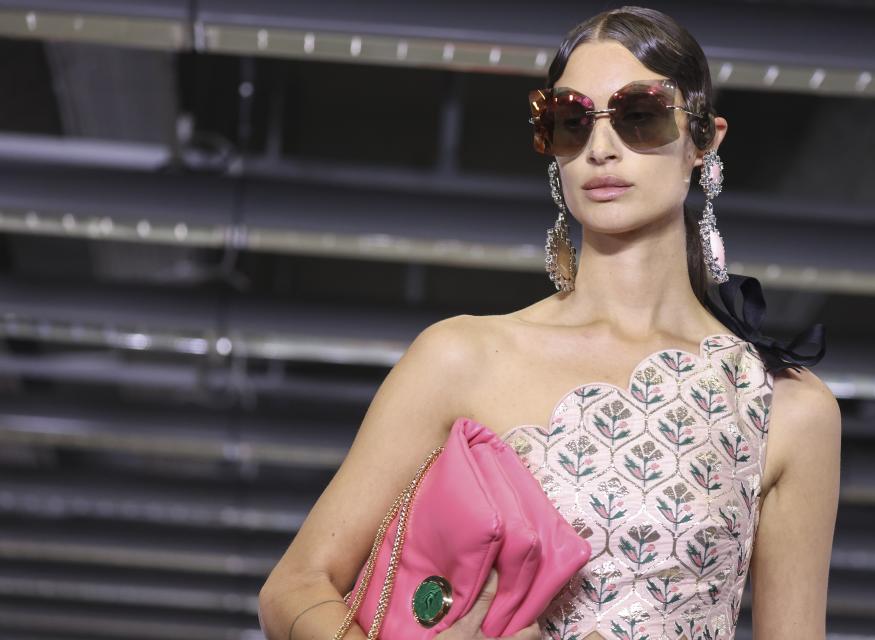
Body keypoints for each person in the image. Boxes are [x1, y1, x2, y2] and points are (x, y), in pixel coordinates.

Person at [257, 6, 841, 640]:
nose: (601, 146)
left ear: (704, 140)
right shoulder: (462, 357)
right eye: (570, 122)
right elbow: (294, 587)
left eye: (639, 115)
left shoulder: (787, 409)